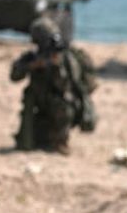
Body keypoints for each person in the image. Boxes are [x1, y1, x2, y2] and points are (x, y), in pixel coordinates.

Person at [11, 17, 97, 154]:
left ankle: (61, 141)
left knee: (63, 106)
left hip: (63, 101)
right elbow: (14, 76)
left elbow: (66, 86)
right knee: (29, 104)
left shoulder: (67, 58)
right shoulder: (34, 56)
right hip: (40, 101)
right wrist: (32, 65)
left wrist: (56, 68)